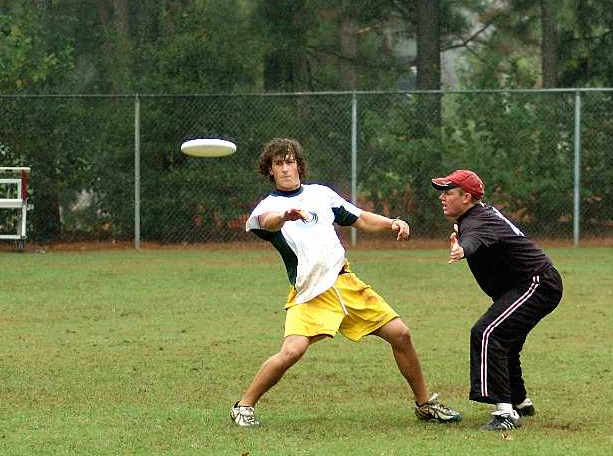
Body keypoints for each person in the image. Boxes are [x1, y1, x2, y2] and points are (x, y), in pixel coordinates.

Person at [230, 137, 461, 427]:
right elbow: (268, 222)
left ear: (299, 165)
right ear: (270, 170)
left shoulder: (321, 194)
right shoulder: (267, 207)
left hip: (346, 283)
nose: (286, 168)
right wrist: (285, 216)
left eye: (290, 162)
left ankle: (425, 405)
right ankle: (243, 406)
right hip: (311, 293)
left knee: (400, 334)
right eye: (279, 163)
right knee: (291, 351)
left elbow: (360, 218)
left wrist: (391, 222)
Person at [430, 169, 563, 431]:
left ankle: (505, 414)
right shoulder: (477, 216)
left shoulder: (478, 220)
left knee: (487, 333)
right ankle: (519, 401)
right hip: (533, 283)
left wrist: (462, 249)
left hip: (536, 284)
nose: (441, 197)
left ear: (466, 197)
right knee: (505, 340)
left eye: (448, 192)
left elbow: (473, 240)